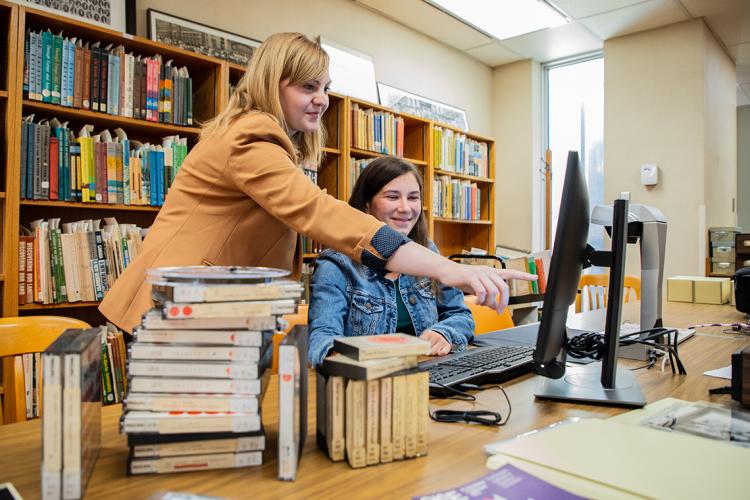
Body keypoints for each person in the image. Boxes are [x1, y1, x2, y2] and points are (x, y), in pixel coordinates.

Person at [99, 32, 533, 333]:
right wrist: (447, 269)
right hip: (185, 306)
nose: (322, 99)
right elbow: (318, 213)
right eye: (308, 86)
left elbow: (311, 207)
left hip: (210, 306)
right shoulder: (250, 135)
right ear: (273, 83)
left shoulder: (262, 140)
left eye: (325, 87)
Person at [308, 157, 479, 366]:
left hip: (431, 379)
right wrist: (347, 360)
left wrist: (443, 333)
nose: (405, 208)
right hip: (370, 385)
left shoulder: (427, 251)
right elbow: (321, 338)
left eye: (413, 197)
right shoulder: (336, 265)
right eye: (392, 197)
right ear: (367, 205)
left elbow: (460, 315)